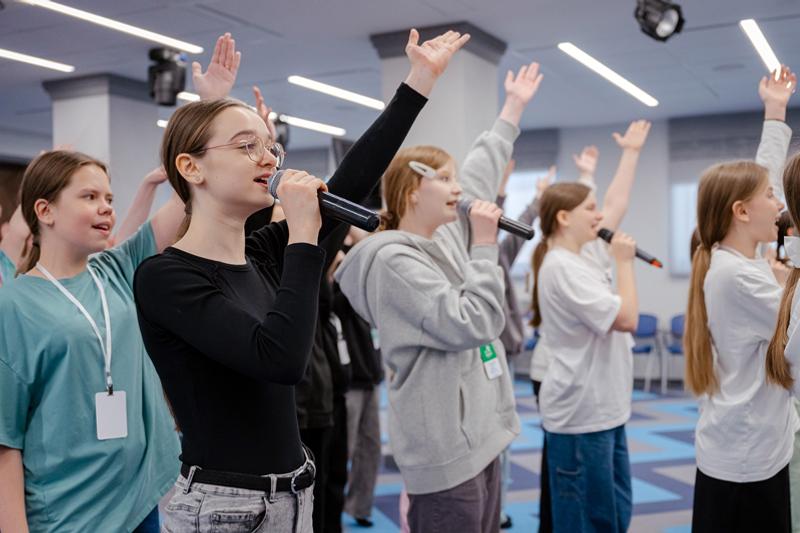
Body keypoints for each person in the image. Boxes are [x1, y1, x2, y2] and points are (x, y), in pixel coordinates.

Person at [133, 29, 468, 532]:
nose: (269, 158)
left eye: (270, 147)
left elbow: (353, 179)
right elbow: (281, 359)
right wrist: (305, 236)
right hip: (225, 506)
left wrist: (418, 82)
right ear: (191, 168)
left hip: (292, 492)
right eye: (247, 147)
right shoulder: (166, 277)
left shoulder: (259, 255)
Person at [336, 61, 543, 533]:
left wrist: (512, 108)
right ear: (413, 191)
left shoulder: (441, 237)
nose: (459, 189)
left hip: (480, 439)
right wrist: (485, 246)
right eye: (445, 179)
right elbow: (473, 322)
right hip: (446, 452)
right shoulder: (394, 262)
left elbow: (482, 170)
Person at [0, 149, 185, 532]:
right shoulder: (13, 305)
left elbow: (188, 201)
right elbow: (5, 441)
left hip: (139, 501)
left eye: (109, 198)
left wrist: (214, 119)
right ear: (45, 211)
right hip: (69, 514)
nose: (106, 208)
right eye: (89, 196)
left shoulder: (115, 269)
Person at [684, 65, 796, 533]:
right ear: (742, 211)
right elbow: (794, 338)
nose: (780, 205)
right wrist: (789, 280)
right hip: (746, 458)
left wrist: (775, 112)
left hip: (742, 448)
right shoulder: (739, 276)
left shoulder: (729, 258)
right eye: (770, 197)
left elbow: (761, 178)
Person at [532, 120, 651, 533]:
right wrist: (624, 263)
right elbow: (627, 319)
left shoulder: (583, 255)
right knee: (586, 518)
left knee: (612, 512)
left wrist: (631, 153)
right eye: (590, 209)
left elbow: (615, 204)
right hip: (582, 414)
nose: (600, 216)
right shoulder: (562, 267)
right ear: (564, 218)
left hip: (604, 408)